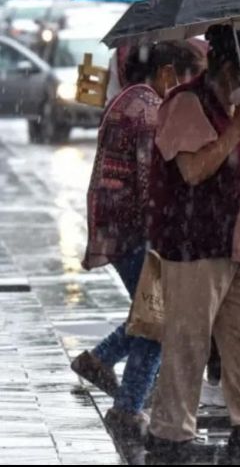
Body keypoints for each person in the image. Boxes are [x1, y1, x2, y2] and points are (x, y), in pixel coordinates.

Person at [145, 24, 240, 463]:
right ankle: (171, 433)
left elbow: (239, 163)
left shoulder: (236, 108)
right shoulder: (188, 104)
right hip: (198, 243)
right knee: (188, 340)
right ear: (231, 67)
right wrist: (239, 127)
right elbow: (194, 170)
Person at [71, 41, 204, 439]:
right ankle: (128, 407)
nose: (185, 89)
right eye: (184, 80)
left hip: (117, 226)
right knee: (158, 319)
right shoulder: (147, 109)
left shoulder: (127, 98)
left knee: (150, 312)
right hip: (134, 230)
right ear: (166, 73)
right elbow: (152, 182)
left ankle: (100, 359)